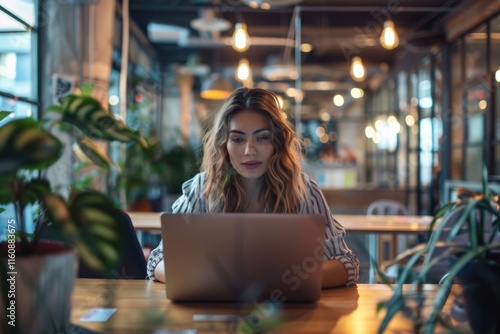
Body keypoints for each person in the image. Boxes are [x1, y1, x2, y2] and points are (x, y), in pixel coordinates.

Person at [147, 87, 359, 288]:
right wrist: (206, 280)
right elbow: (157, 260)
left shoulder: (304, 190)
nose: (249, 151)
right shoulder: (203, 188)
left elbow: (346, 262)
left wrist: (288, 282)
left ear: (278, 141)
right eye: (237, 139)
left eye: (262, 138)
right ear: (224, 144)